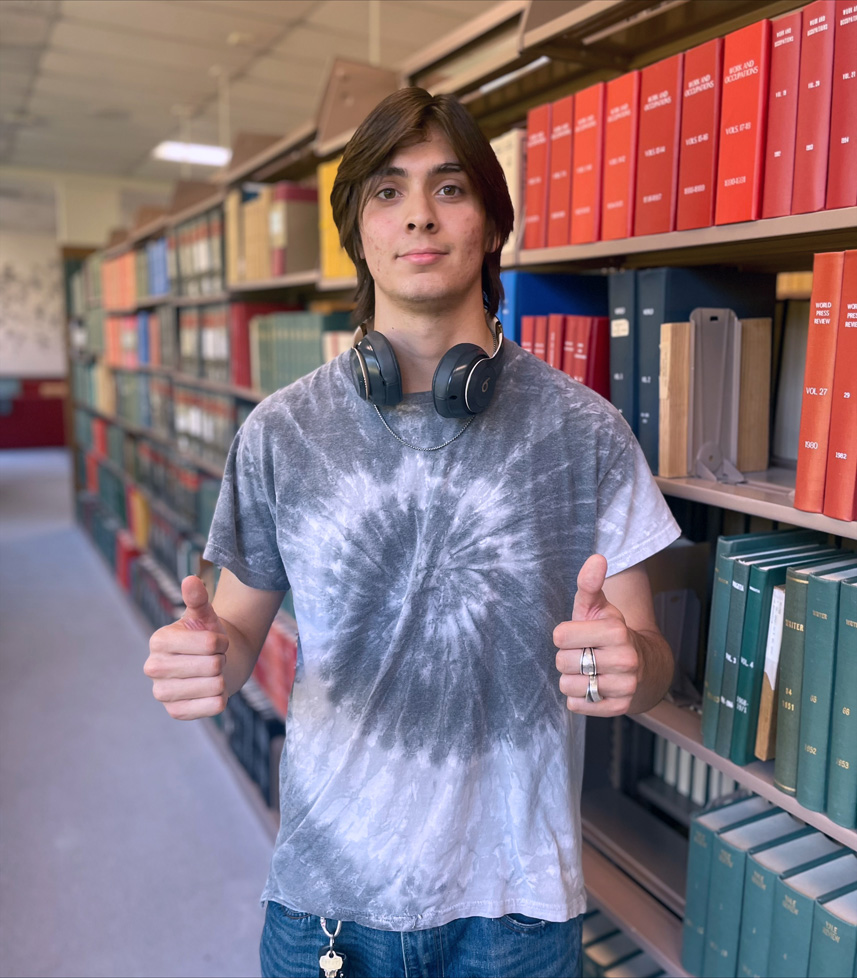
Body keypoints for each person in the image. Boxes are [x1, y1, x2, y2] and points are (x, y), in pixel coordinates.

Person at [144, 87, 681, 978]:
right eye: (387, 192)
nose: (419, 217)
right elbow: (235, 632)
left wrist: (631, 665)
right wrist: (209, 656)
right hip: (330, 909)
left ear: (491, 224)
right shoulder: (280, 433)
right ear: (357, 231)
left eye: (449, 188)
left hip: (516, 912)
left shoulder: (586, 432)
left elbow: (648, 656)